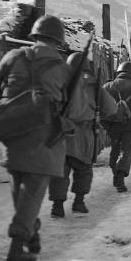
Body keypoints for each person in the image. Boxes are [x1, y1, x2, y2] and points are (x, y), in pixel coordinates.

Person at [0, 15, 72, 261]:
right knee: (33, 193)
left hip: (11, 132)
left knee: (20, 191)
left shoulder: (12, 57)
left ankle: (31, 233)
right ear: (58, 41)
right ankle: (16, 247)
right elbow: (73, 108)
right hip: (43, 137)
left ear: (34, 35)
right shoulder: (64, 69)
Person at [48, 52, 118, 217]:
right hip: (85, 136)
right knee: (83, 170)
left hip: (62, 134)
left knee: (60, 171)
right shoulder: (93, 85)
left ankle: (57, 207)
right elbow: (111, 108)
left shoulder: (60, 83)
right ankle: (79, 202)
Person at [102, 61, 131, 192]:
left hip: (113, 125)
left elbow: (100, 108)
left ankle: (117, 172)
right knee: (126, 151)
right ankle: (120, 176)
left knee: (115, 150)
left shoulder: (107, 86)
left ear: (118, 72)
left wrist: (106, 125)